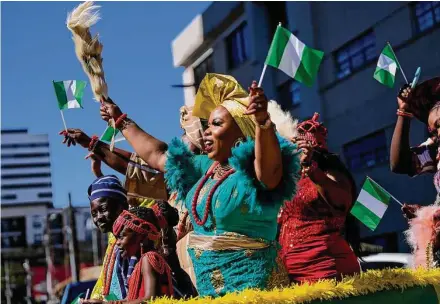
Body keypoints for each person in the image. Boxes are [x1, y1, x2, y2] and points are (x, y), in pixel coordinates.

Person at [97, 73, 300, 297]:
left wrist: (262, 123)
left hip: (257, 294)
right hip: (209, 294)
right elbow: (158, 155)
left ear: (240, 132)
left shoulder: (254, 173)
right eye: (207, 124)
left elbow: (269, 172)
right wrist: (120, 120)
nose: (206, 131)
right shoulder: (204, 169)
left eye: (216, 124)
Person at [278, 113, 361, 283]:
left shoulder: (332, 174)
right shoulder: (290, 178)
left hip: (325, 267)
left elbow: (341, 202)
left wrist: (313, 170)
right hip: (288, 269)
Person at [390, 77, 440, 268]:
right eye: (433, 131)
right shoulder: (436, 149)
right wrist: (404, 113)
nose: (436, 135)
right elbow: (399, 164)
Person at [82, 207, 174, 304]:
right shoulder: (140, 263)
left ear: (141, 236)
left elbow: (150, 299)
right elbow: (129, 300)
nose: (117, 243)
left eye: (121, 237)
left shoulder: (149, 258)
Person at [87, 175, 129, 300]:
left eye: (103, 209)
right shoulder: (114, 243)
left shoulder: (135, 242)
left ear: (122, 206)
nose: (98, 217)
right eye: (94, 213)